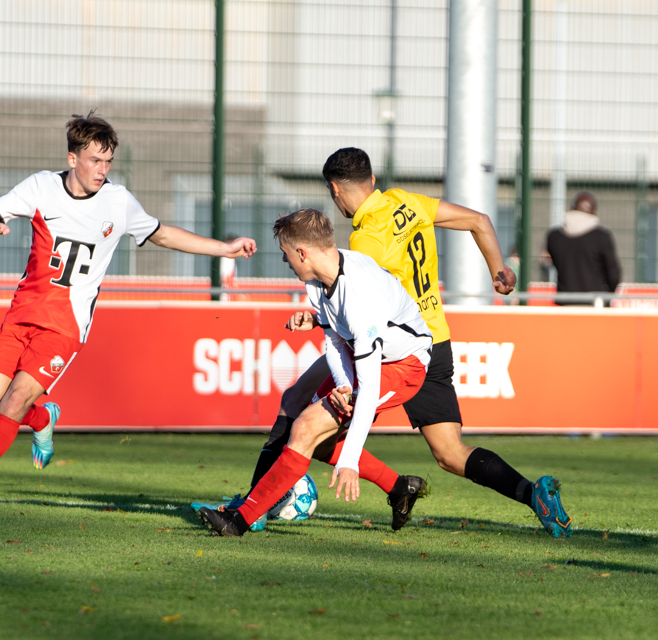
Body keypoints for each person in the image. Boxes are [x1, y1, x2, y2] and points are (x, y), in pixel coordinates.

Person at [197, 147, 572, 538]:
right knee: (448, 453)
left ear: (335, 190)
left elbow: (355, 314)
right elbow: (478, 220)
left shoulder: (363, 244)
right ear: (372, 180)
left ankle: (253, 507)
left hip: (385, 345)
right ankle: (529, 494)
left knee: (304, 414)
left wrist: (328, 335)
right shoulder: (406, 202)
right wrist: (499, 267)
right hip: (434, 337)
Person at [0, 111, 257, 511]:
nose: (102, 169)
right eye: (95, 160)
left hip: (65, 326)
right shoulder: (42, 188)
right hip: (21, 314)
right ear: (72, 159)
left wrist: (225, 247)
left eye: (108, 161)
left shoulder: (118, 202)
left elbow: (163, 234)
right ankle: (43, 418)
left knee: (12, 404)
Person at [199, 209, 433, 536]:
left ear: (302, 252)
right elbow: (336, 342)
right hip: (361, 354)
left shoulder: (361, 297)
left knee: (307, 428)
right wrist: (342, 384)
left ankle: (240, 521)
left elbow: (367, 390)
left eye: (285, 253)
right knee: (311, 432)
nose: (284, 261)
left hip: (402, 364)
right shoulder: (317, 279)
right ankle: (399, 488)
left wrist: (350, 459)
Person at [546, 191, 621, 306]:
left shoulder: (554, 237)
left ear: (572, 208)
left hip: (565, 302)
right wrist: (607, 295)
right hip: (595, 303)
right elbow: (613, 274)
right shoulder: (602, 237)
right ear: (594, 212)